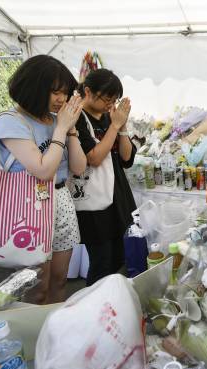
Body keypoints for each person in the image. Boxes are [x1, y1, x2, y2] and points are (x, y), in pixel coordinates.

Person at [0, 55, 87, 303]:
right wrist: (60, 129)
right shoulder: (10, 121)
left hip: (61, 199)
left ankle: (54, 331)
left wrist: (72, 129)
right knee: (37, 286)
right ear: (33, 88)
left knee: (59, 279)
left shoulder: (58, 120)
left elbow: (79, 167)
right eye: (54, 92)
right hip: (30, 205)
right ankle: (33, 332)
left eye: (65, 92)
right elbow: (43, 170)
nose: (61, 99)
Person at [74, 69, 137, 286]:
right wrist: (115, 126)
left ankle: (111, 305)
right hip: (94, 205)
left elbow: (127, 157)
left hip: (119, 196)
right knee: (102, 262)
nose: (110, 105)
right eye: (106, 99)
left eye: (114, 100)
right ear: (88, 91)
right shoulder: (77, 119)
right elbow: (94, 157)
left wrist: (123, 126)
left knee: (120, 257)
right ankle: (92, 309)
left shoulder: (111, 117)